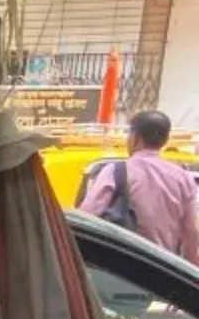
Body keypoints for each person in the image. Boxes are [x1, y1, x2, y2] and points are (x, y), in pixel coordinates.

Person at [79, 110, 199, 263]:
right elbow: (190, 232)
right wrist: (191, 272)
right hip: (163, 270)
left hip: (121, 268)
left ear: (134, 137)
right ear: (165, 140)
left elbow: (87, 216)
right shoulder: (183, 179)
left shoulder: (116, 171)